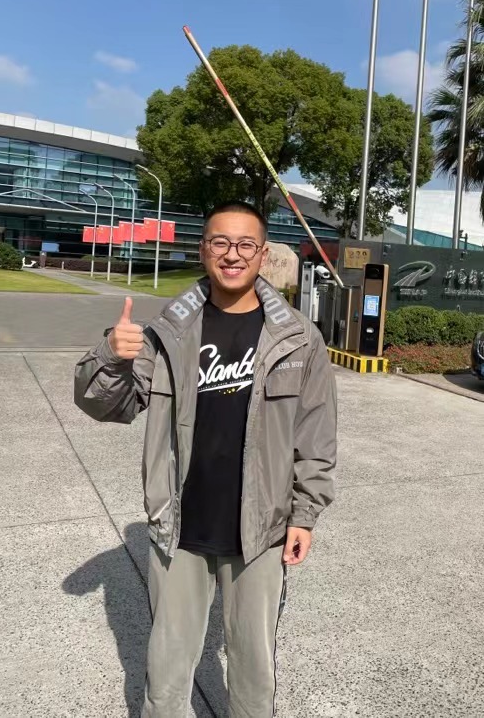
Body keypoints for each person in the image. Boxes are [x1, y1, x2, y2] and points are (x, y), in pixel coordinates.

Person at [74, 202, 337, 718]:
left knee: (254, 672)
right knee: (167, 673)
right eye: (220, 242)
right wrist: (110, 354)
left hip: (261, 531)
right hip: (180, 528)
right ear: (203, 249)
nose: (232, 254)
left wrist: (305, 514)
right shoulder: (167, 334)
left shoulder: (299, 339)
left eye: (245, 244)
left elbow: (316, 434)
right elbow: (107, 406)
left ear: (263, 254)